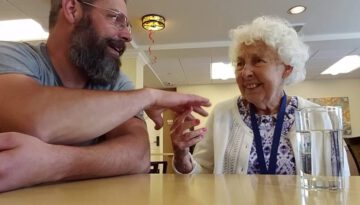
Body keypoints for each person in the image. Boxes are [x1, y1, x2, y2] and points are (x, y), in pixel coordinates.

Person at [0, 0, 211, 192]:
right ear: (72, 9)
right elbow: (36, 119)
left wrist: (51, 163)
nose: (128, 35)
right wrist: (147, 97)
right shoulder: (12, 56)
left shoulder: (115, 82)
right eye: (115, 18)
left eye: (126, 24)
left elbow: (138, 156)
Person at [171, 16, 350, 175]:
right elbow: (201, 176)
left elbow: (340, 181)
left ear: (286, 69)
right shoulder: (222, 114)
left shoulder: (318, 117)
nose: (245, 72)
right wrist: (181, 157)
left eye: (258, 61)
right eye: (240, 63)